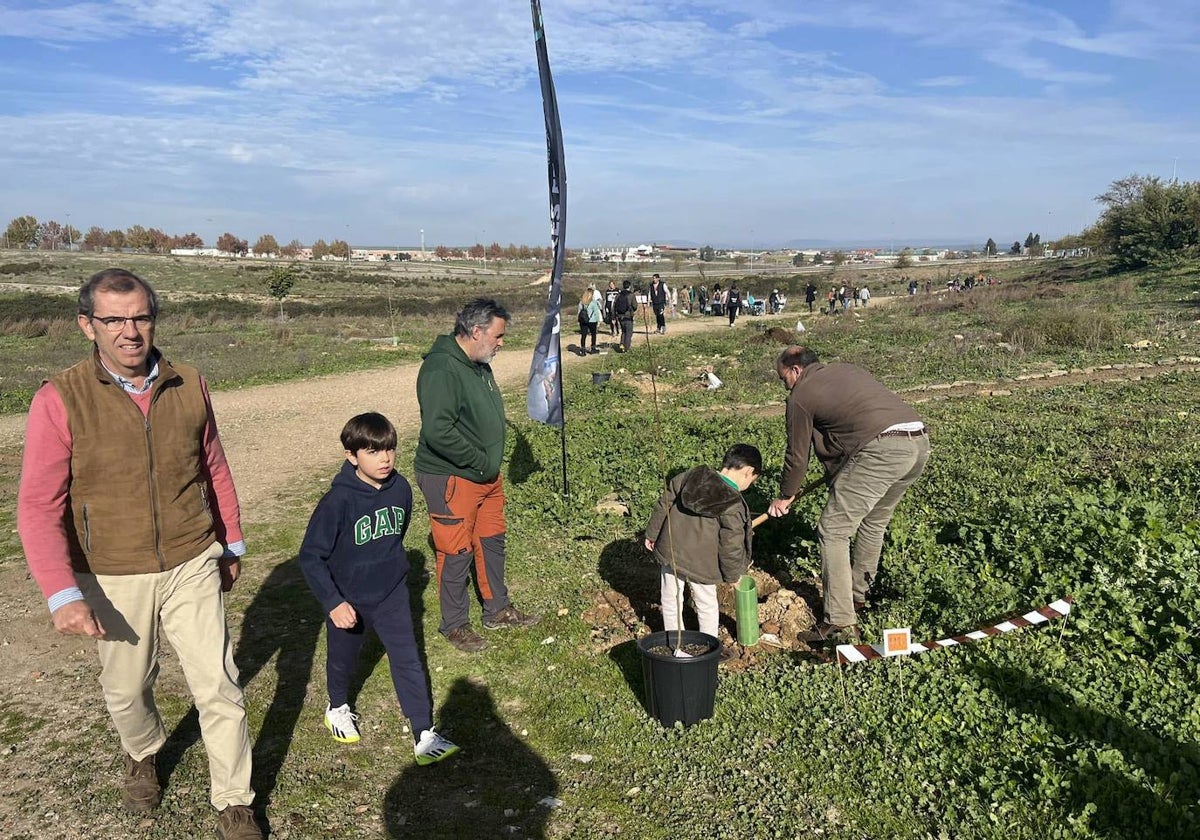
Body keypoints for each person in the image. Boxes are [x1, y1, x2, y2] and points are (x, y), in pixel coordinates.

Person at [16, 268, 262, 839]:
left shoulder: (189, 382)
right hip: (110, 571)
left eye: (141, 317)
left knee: (219, 685)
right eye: (114, 320)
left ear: (153, 319)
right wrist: (63, 592)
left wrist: (231, 541)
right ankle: (143, 750)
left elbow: (213, 467)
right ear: (88, 326)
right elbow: (36, 506)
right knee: (127, 689)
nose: (130, 331)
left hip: (190, 558)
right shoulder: (60, 398)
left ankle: (235, 801)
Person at [298, 413, 459, 764]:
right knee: (343, 659)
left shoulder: (401, 489)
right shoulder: (337, 503)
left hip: (392, 592)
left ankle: (423, 732)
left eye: (389, 449)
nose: (384, 458)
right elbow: (311, 557)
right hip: (349, 598)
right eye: (372, 451)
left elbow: (394, 538)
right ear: (351, 456)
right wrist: (333, 601)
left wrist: (390, 572)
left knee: (408, 658)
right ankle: (337, 705)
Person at [767, 346, 930, 645]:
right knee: (872, 523)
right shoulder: (847, 370)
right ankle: (858, 597)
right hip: (917, 443)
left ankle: (840, 621)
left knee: (832, 531)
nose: (785, 386)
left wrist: (785, 495)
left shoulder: (801, 395)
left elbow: (796, 456)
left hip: (881, 450)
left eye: (783, 379)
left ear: (796, 371)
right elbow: (852, 426)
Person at [414, 298, 540, 654]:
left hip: (485, 476)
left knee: (491, 541)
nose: (502, 342)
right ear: (476, 331)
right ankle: (454, 624)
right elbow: (438, 431)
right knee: (456, 550)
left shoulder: (478, 364)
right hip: (454, 477)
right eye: (498, 336)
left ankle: (496, 608)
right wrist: (479, 461)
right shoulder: (441, 369)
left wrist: (488, 465)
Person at [644, 444, 762, 641]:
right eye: (752, 480)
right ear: (748, 471)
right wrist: (732, 575)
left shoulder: (690, 476)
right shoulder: (733, 504)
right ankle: (709, 644)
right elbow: (730, 545)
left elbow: (664, 503)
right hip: (703, 565)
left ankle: (674, 641)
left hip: (671, 551)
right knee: (706, 604)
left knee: (671, 598)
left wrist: (652, 534)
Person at [613, 279, 638, 352]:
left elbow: (614, 306)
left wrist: (614, 316)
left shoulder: (618, 295)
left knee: (623, 331)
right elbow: (635, 306)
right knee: (629, 333)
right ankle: (627, 348)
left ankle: (621, 344)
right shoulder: (631, 295)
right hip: (628, 316)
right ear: (629, 286)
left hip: (620, 317)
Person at [577, 286, 601, 355]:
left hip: (583, 321)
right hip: (592, 321)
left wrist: (579, 319)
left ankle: (583, 350)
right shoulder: (593, 302)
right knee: (593, 335)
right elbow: (596, 312)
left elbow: (579, 311)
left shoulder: (582, 302)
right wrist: (598, 321)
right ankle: (593, 348)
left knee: (583, 335)